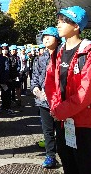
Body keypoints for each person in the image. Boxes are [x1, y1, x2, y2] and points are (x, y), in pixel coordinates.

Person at [45, 6, 91, 174]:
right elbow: (50, 83)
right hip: (62, 120)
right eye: (59, 21)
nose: (59, 25)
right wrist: (55, 108)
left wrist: (61, 110)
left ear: (76, 26)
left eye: (64, 21)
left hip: (81, 120)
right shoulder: (58, 52)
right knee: (66, 159)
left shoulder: (89, 53)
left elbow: (87, 91)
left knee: (83, 163)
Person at [31, 27, 61, 169]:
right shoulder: (40, 58)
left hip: (62, 101)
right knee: (47, 130)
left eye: (49, 36)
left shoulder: (64, 55)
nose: (46, 39)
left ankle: (66, 155)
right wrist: (36, 89)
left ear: (57, 38)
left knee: (62, 130)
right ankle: (50, 156)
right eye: (44, 37)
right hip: (43, 101)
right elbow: (35, 77)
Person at [0, 43, 15, 115]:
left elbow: (7, 69)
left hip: (3, 79)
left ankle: (6, 106)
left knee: (5, 92)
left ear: (1, 50)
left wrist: (5, 78)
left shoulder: (4, 58)